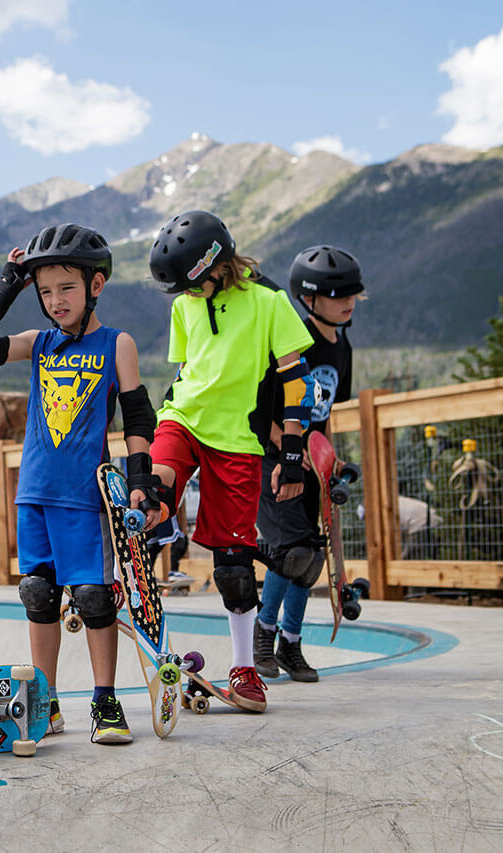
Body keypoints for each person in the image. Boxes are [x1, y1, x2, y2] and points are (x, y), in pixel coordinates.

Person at [0, 223, 162, 744]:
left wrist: (142, 479)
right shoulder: (40, 344)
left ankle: (105, 702)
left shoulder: (117, 344)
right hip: (34, 494)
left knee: (95, 596)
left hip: (84, 498)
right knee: (37, 594)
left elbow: (138, 418)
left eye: (67, 288)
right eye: (46, 291)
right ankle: (44, 702)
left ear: (96, 285)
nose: (56, 301)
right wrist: (10, 281)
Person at [147, 210, 316, 712]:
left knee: (235, 569)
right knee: (155, 485)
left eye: (192, 286)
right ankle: (145, 516)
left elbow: (295, 382)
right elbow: (188, 373)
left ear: (215, 264)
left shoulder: (269, 304)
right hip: (183, 418)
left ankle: (245, 670)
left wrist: (290, 452)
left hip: (238, 443)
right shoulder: (185, 307)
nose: (189, 296)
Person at [255, 245, 365, 682]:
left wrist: (330, 462)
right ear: (310, 299)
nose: (348, 301)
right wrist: (291, 454)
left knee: (313, 556)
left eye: (352, 294)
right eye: (338, 294)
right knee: (291, 552)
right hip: (277, 460)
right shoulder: (294, 342)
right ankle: (262, 638)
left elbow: (324, 416)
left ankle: (291, 646)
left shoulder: (343, 348)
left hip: (314, 466)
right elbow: (262, 413)